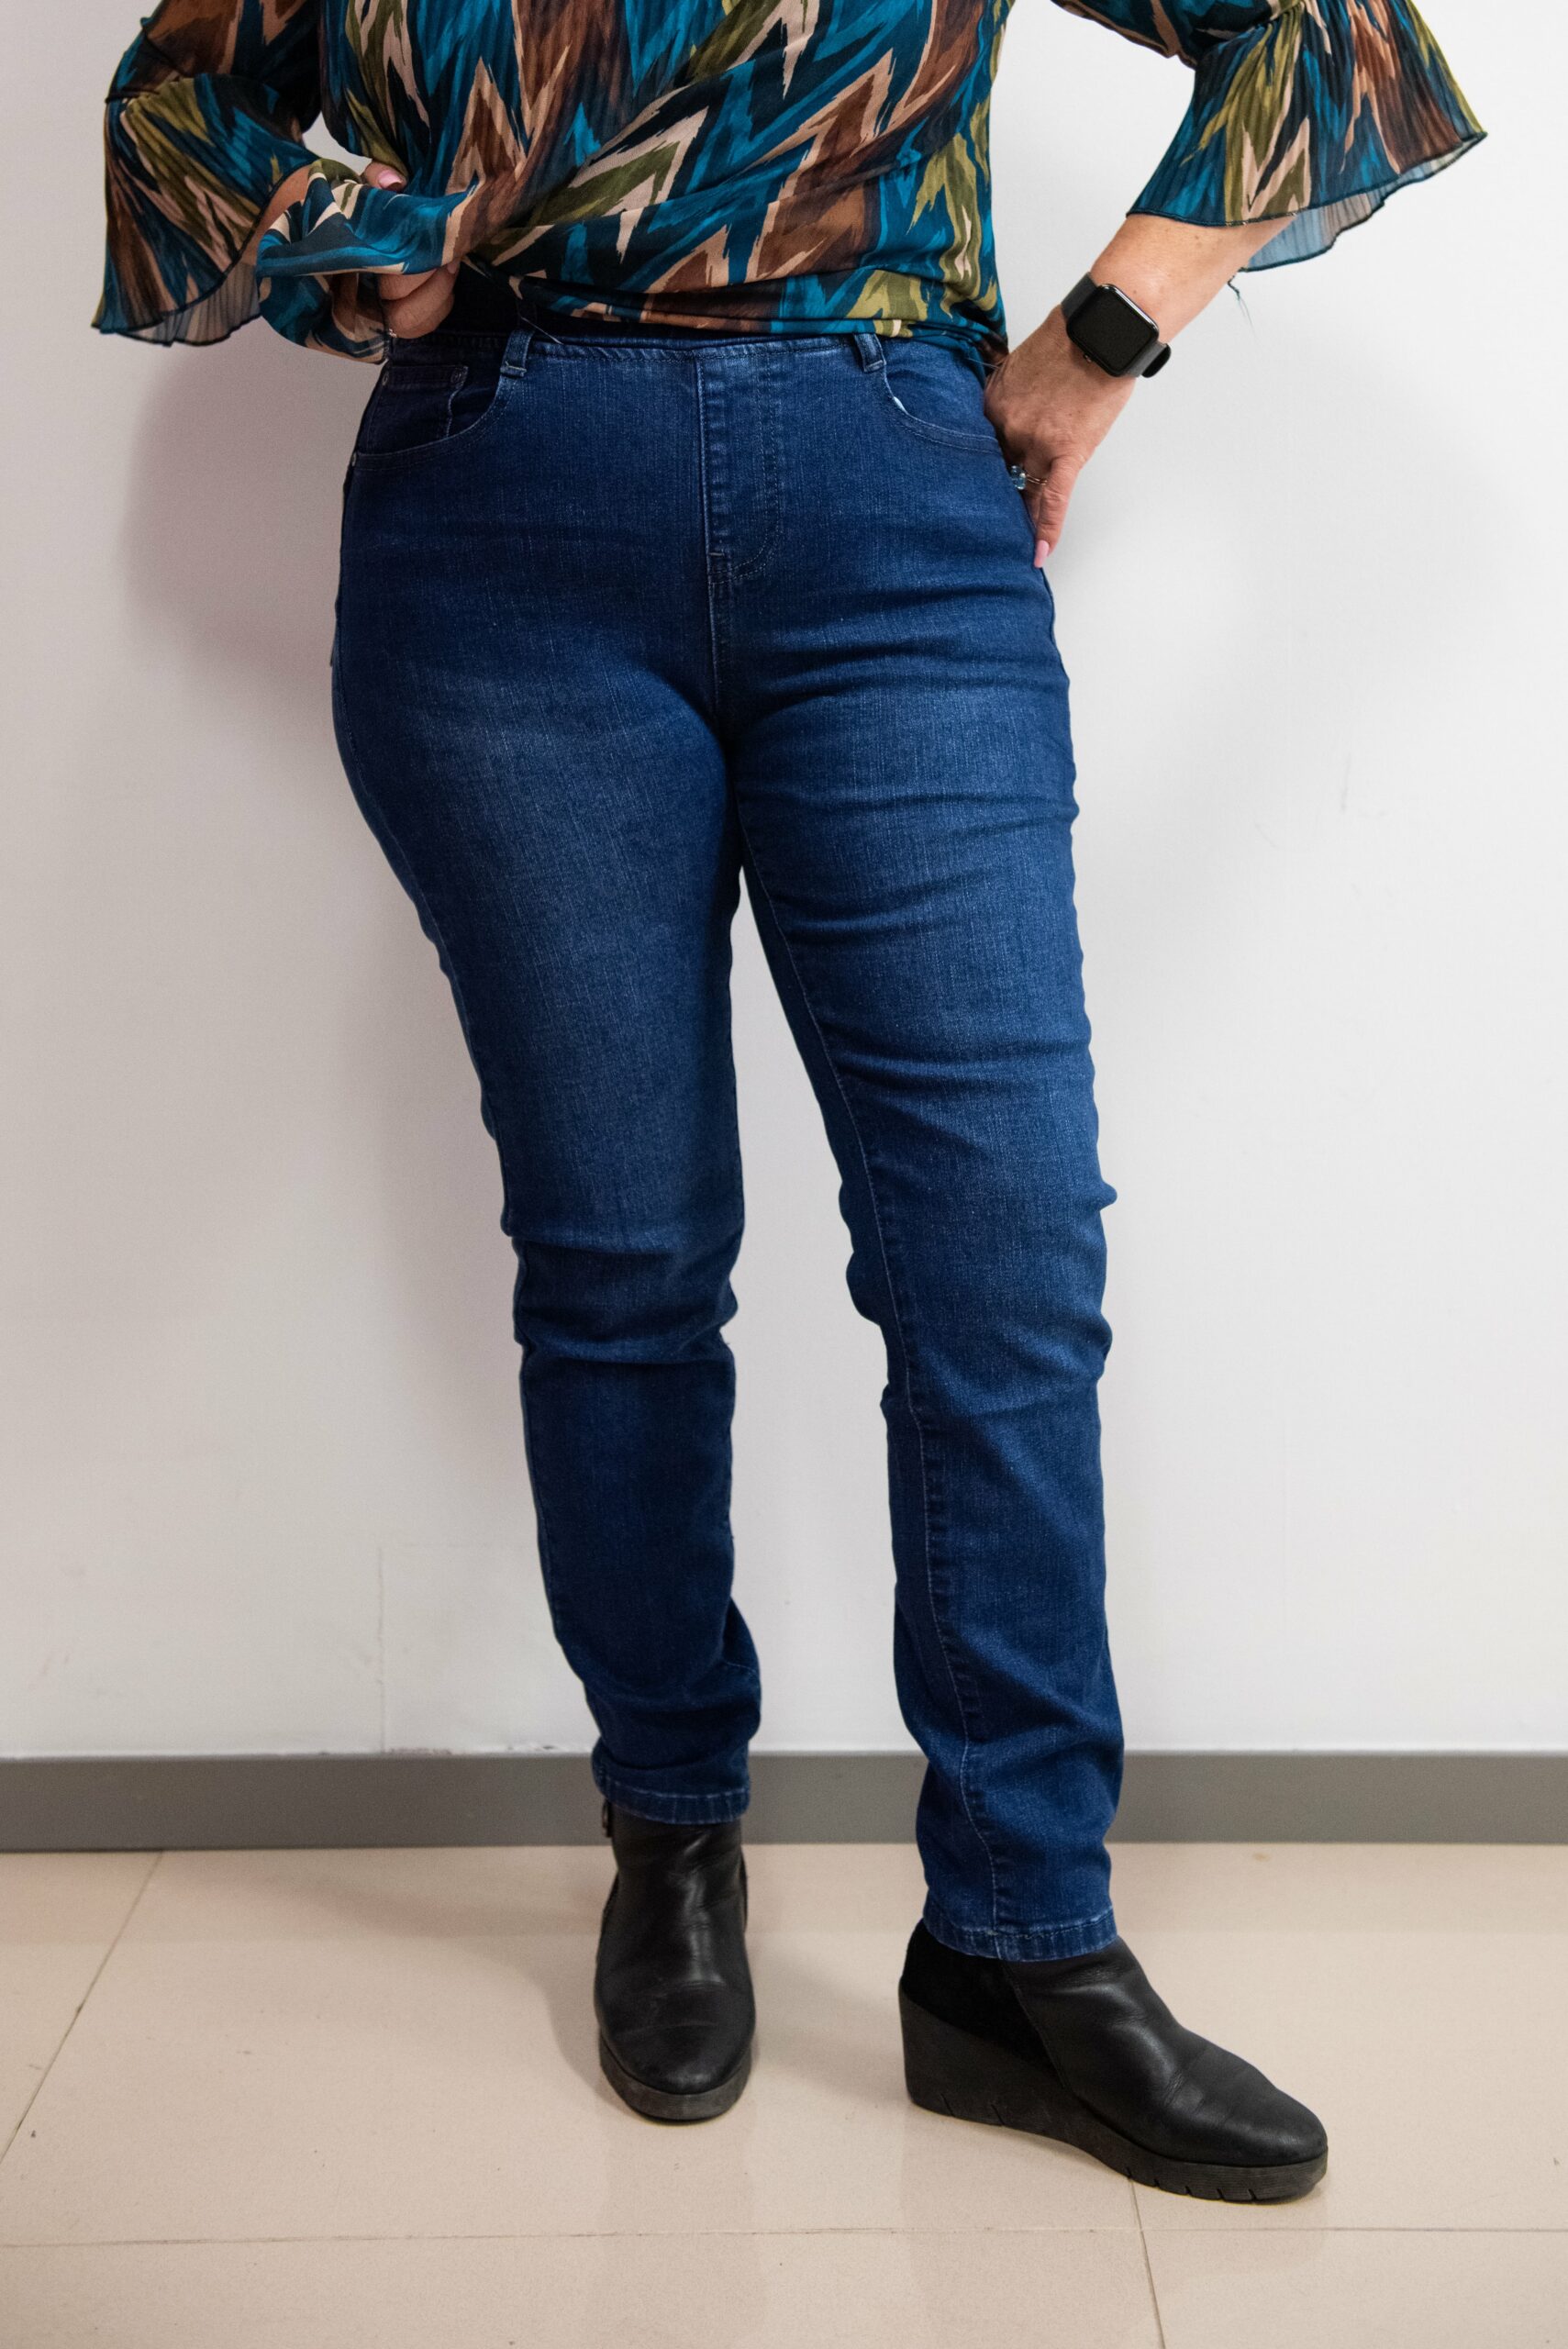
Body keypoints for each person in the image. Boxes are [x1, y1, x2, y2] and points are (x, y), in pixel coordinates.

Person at [95, 0, 1480, 2199]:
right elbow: (177, 104)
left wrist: (1103, 337)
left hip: (894, 507)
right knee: (624, 1254)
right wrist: (372, 259)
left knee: (1002, 1251)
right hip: (502, 522)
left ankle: (1024, 1938)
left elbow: (1329, 37)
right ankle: (673, 1833)